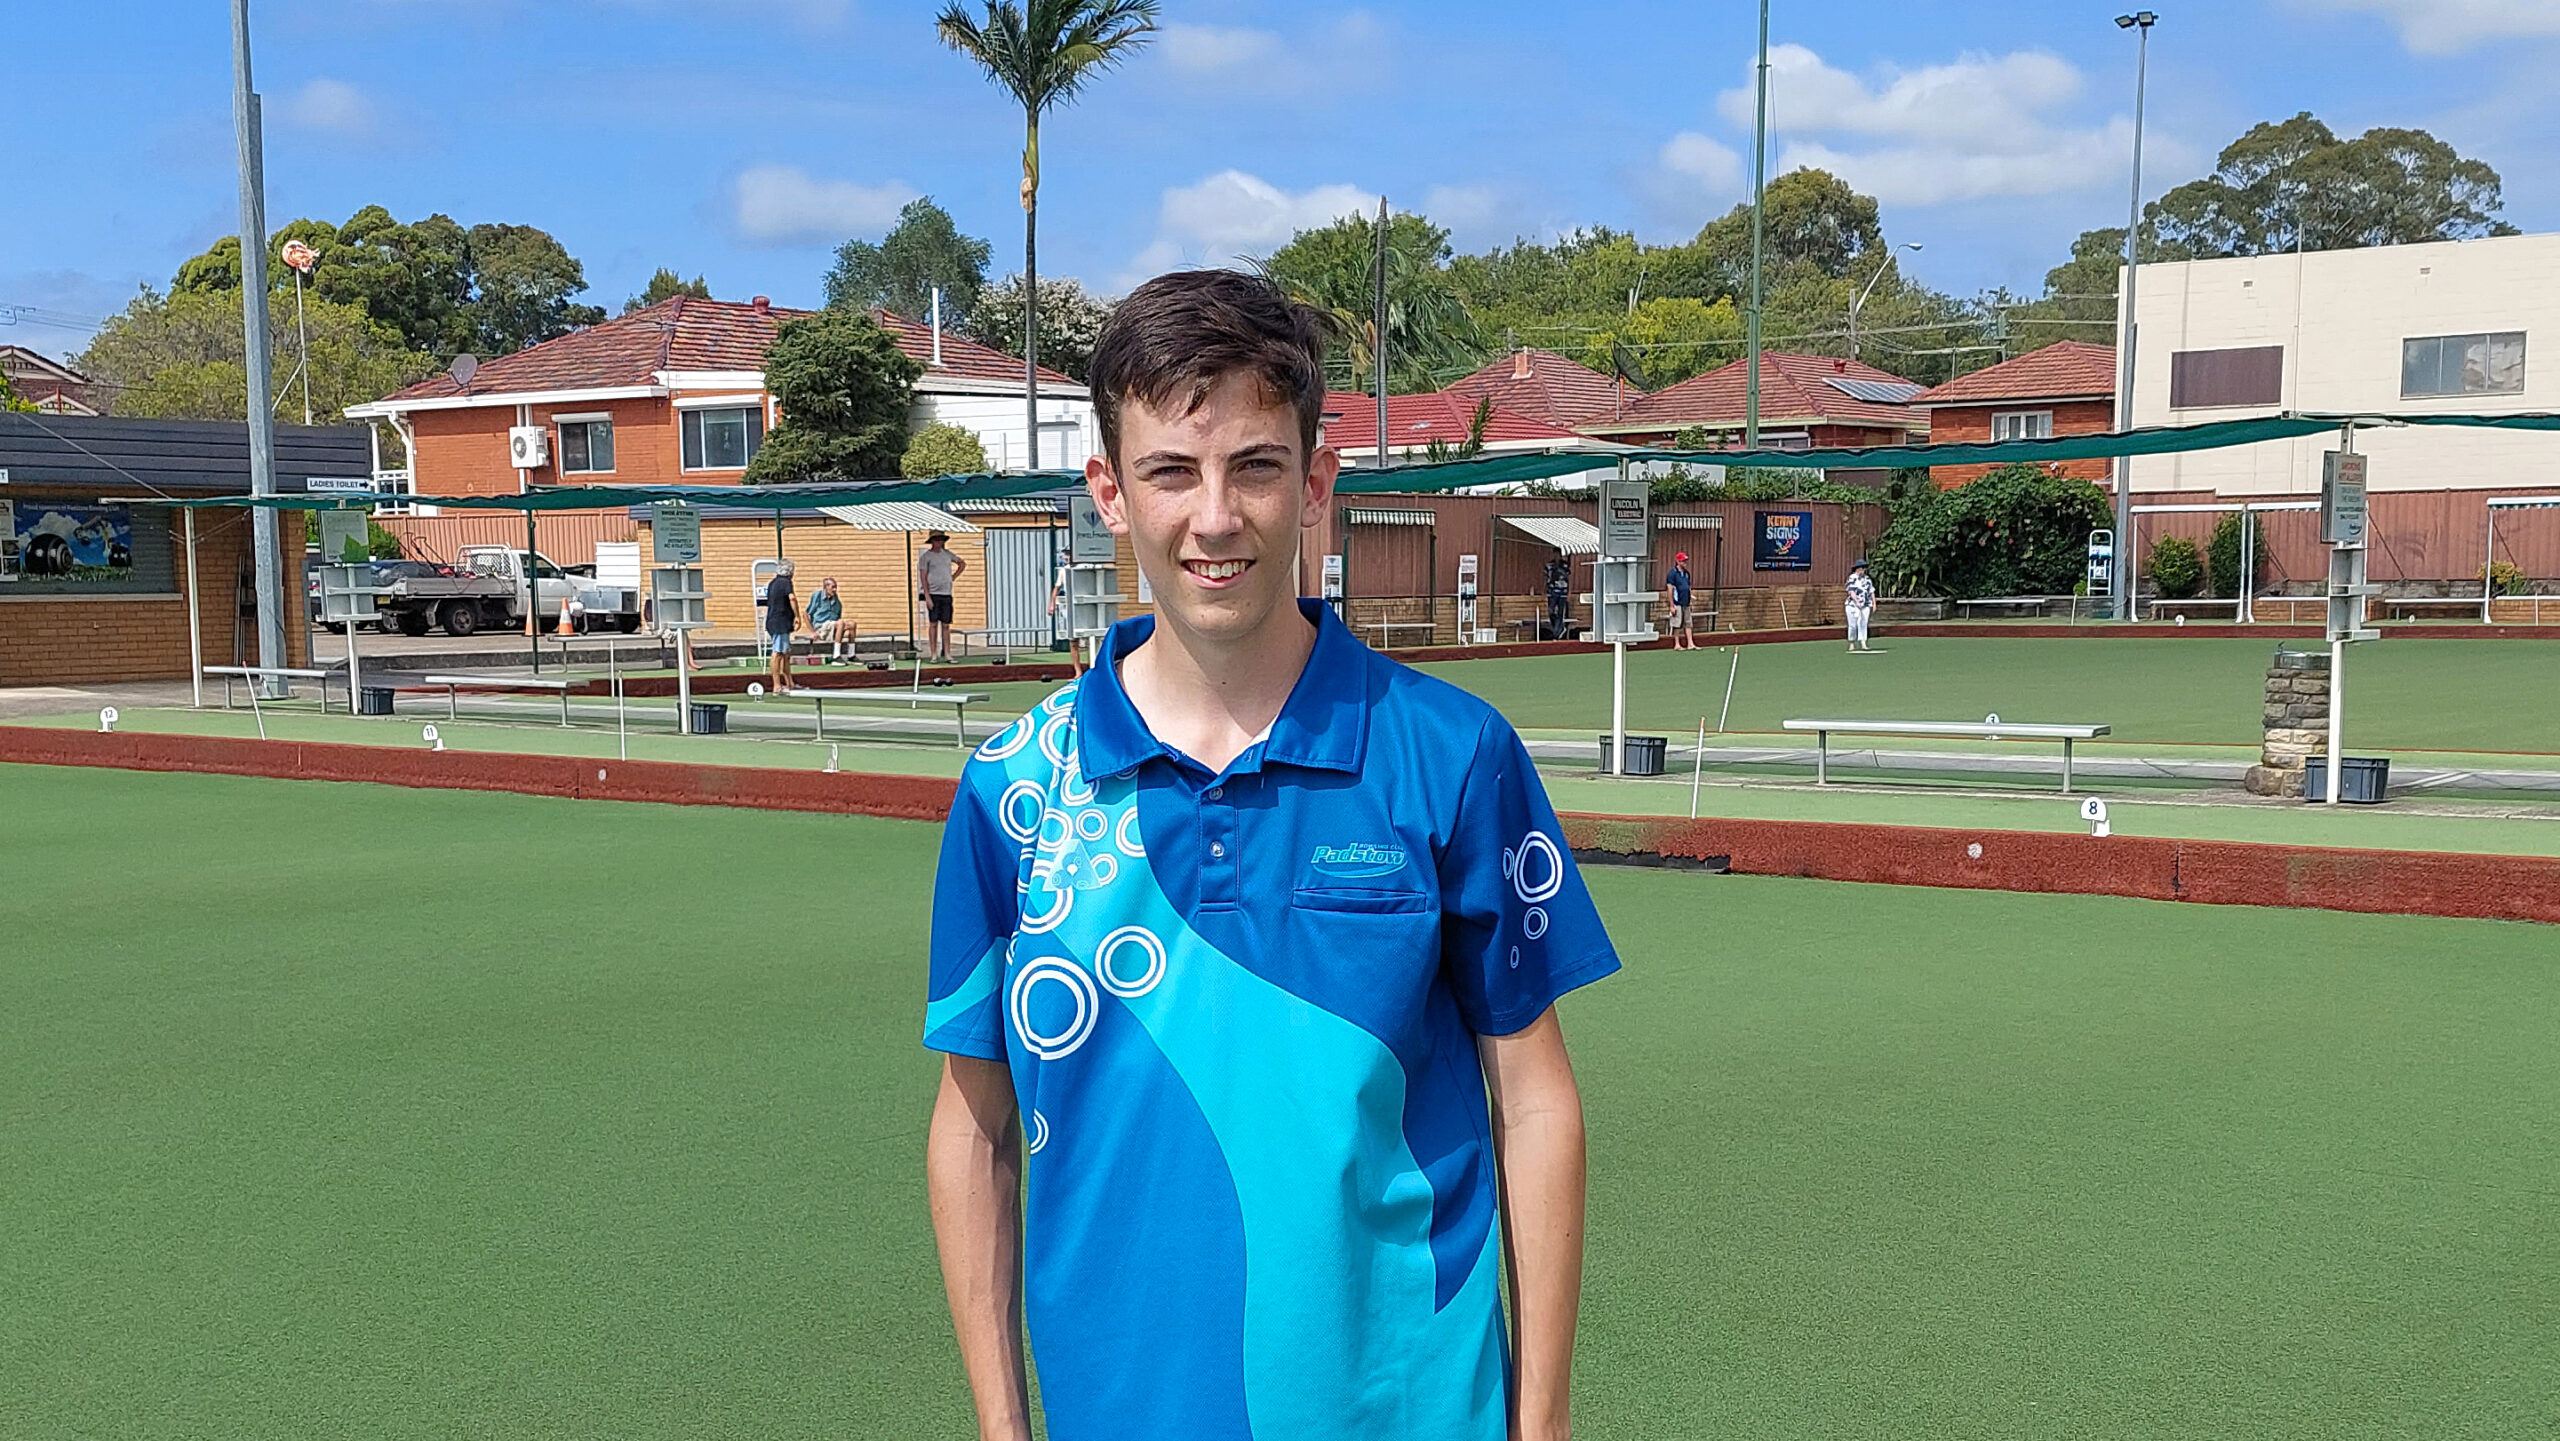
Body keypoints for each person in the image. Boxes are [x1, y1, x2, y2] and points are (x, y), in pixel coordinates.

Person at [924, 269, 1620, 1441]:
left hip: (1407, 1409)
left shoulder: (1451, 753)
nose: (1214, 515)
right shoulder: (1015, 788)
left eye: (1253, 464)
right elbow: (974, 1125)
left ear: (1315, 478)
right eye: (1169, 471)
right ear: (1108, 488)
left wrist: (1540, 1419)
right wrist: (1003, 1426)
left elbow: (1533, 1101)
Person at [919, 530, 967, 663]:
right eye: (937, 540)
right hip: (933, 594)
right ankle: (933, 653)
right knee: (933, 624)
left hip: (946, 593)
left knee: (946, 625)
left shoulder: (947, 554)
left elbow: (962, 563)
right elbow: (923, 577)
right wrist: (927, 596)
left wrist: (953, 577)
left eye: (941, 540)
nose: (939, 542)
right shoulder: (926, 557)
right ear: (932, 541)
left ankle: (947, 653)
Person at [762, 560, 797, 690]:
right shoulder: (786, 583)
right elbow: (792, 598)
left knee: (785, 653)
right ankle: (777, 685)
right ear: (790, 572)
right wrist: (797, 615)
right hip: (780, 622)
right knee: (778, 653)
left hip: (774, 621)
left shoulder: (772, 583)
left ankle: (790, 683)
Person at [808, 575, 847, 663]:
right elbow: (806, 614)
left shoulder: (836, 600)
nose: (835, 590)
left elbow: (838, 616)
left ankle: (852, 655)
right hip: (821, 626)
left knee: (852, 624)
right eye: (833, 587)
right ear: (826, 587)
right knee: (840, 622)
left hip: (831, 626)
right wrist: (812, 632)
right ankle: (836, 656)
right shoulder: (817, 596)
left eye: (836, 587)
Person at [1664, 550, 1697, 649]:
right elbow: (1670, 589)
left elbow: (1688, 586)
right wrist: (1671, 605)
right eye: (1683, 561)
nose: (1685, 563)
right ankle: (1677, 644)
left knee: (1688, 623)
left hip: (1686, 602)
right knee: (1677, 624)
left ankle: (1690, 644)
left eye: (1685, 561)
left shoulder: (1687, 573)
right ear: (1678, 561)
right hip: (1677, 603)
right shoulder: (1672, 574)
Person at [1845, 557, 1877, 653]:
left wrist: (1874, 603)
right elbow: (1851, 591)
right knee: (1852, 625)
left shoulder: (1867, 579)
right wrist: (1857, 602)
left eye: (1863, 568)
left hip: (1865, 604)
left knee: (1863, 623)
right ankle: (1851, 642)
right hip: (1852, 605)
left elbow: (1871, 591)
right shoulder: (1852, 578)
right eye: (1860, 568)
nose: (1862, 570)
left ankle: (1863, 642)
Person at [1543, 553, 1573, 640]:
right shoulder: (1549, 565)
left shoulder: (1565, 565)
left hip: (1562, 592)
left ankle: (1557, 633)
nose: (1556, 557)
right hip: (1552, 592)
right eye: (1555, 555)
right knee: (1551, 611)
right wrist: (1544, 590)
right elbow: (1545, 579)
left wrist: (1569, 592)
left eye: (1558, 555)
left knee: (1560, 612)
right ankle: (1559, 629)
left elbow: (1569, 578)